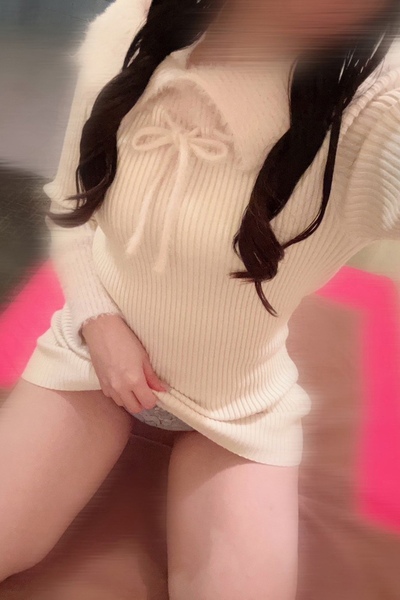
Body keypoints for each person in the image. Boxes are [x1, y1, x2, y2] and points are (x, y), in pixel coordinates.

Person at [1, 0, 400, 597]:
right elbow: (70, 201)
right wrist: (98, 321)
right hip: (89, 354)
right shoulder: (128, 28)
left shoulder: (376, 106)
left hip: (238, 404)